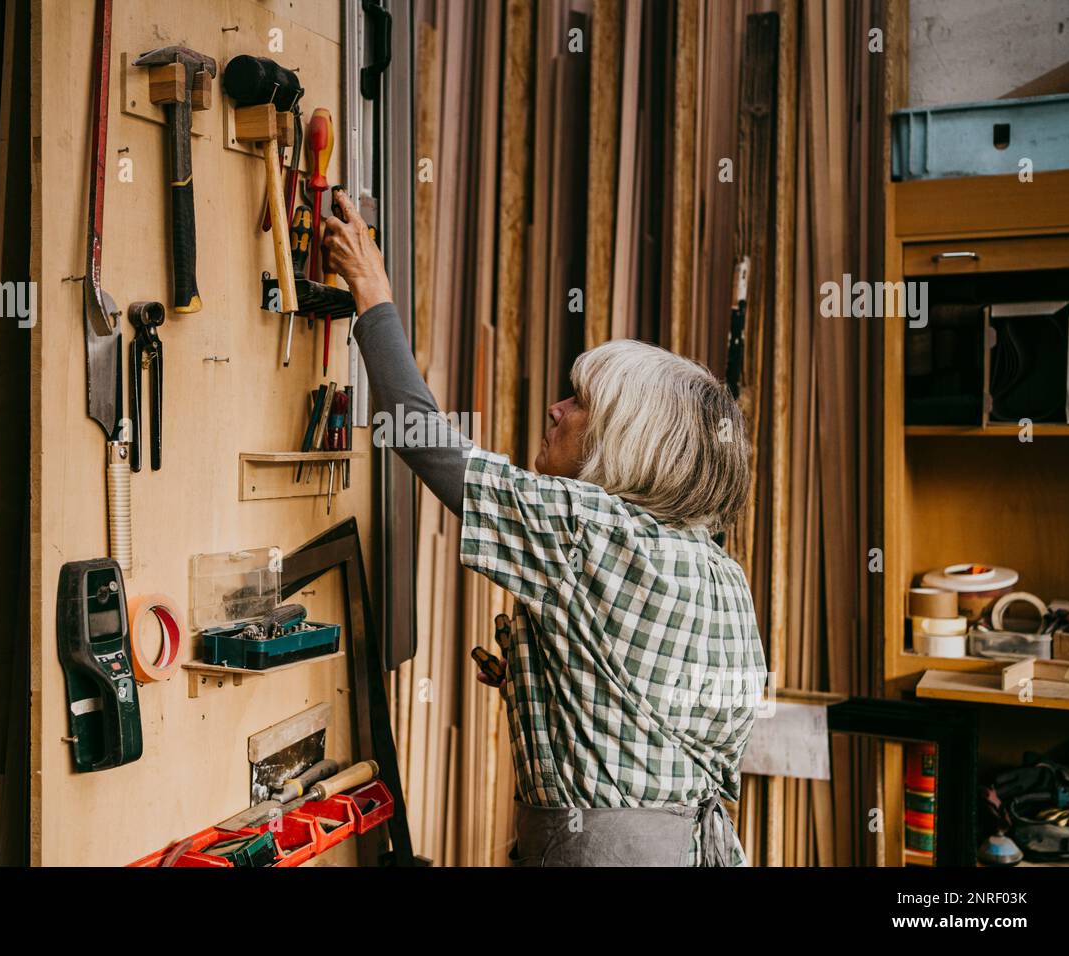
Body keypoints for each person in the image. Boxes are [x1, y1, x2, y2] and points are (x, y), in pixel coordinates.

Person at [322, 189, 767, 866]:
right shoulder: (718, 571)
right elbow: (664, 720)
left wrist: (371, 291)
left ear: (626, 441)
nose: (556, 409)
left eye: (580, 402)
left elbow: (422, 440)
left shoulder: (592, 535)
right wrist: (554, 680)